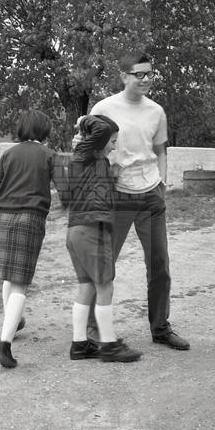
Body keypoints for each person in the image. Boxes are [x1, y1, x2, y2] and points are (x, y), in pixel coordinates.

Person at [89, 51, 190, 350]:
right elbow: (88, 148)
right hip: (117, 195)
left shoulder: (156, 111)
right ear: (124, 76)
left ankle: (161, 329)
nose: (146, 79)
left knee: (159, 265)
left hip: (151, 195)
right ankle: (94, 329)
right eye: (139, 74)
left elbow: (160, 151)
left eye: (150, 74)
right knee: (105, 265)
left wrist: (162, 182)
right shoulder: (103, 108)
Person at [57, 114, 142, 363]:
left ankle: (80, 344)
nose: (114, 146)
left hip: (77, 229)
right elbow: (101, 128)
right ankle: (108, 345)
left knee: (87, 286)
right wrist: (84, 120)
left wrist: (113, 173)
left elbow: (96, 186)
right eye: (113, 141)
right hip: (92, 228)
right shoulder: (87, 152)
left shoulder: (91, 159)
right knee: (105, 286)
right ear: (99, 139)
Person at [0, 109, 59, 368]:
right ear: (44, 130)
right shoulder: (49, 155)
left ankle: (14, 321)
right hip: (30, 218)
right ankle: (4, 346)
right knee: (21, 283)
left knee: (9, 275)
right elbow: (65, 189)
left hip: (2, 217)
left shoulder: (9, 154)